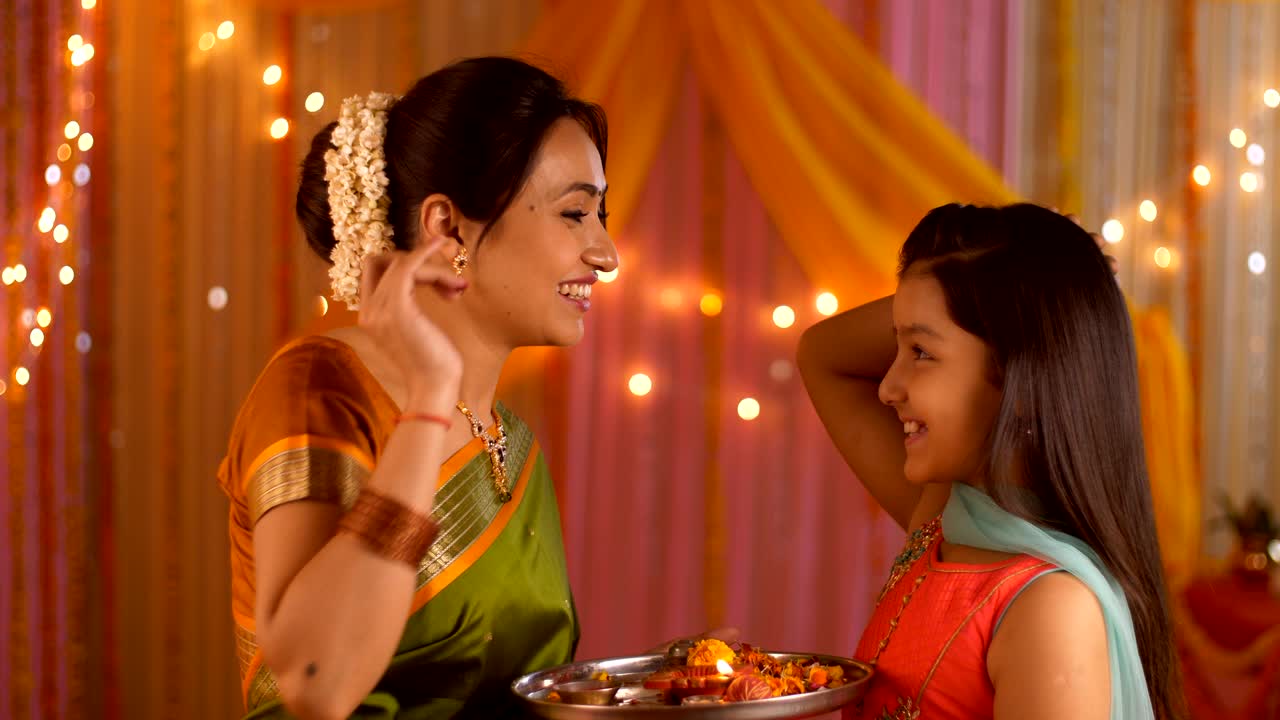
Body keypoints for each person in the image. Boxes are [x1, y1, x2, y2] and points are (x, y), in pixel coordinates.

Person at [217, 56, 618, 719]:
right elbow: (315, 684)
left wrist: (675, 691)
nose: (606, 253)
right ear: (448, 228)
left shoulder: (512, 443)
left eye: (599, 213)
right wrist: (429, 400)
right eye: (576, 213)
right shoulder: (322, 389)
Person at [797, 204, 1184, 719]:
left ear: (1021, 380)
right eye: (898, 346)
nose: (887, 387)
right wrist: (1035, 276)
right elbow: (821, 352)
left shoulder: (1049, 610)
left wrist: (1045, 296)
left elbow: (823, 356)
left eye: (920, 352)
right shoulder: (945, 523)